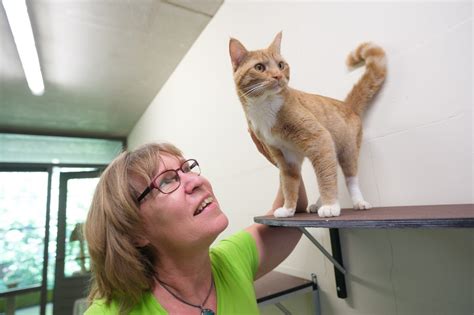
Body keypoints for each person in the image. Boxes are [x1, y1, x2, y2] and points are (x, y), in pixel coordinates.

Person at [84, 131, 308, 314]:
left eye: (187, 169)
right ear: (135, 232)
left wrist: (284, 156)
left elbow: (291, 215)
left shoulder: (232, 260)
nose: (196, 180)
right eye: (167, 180)